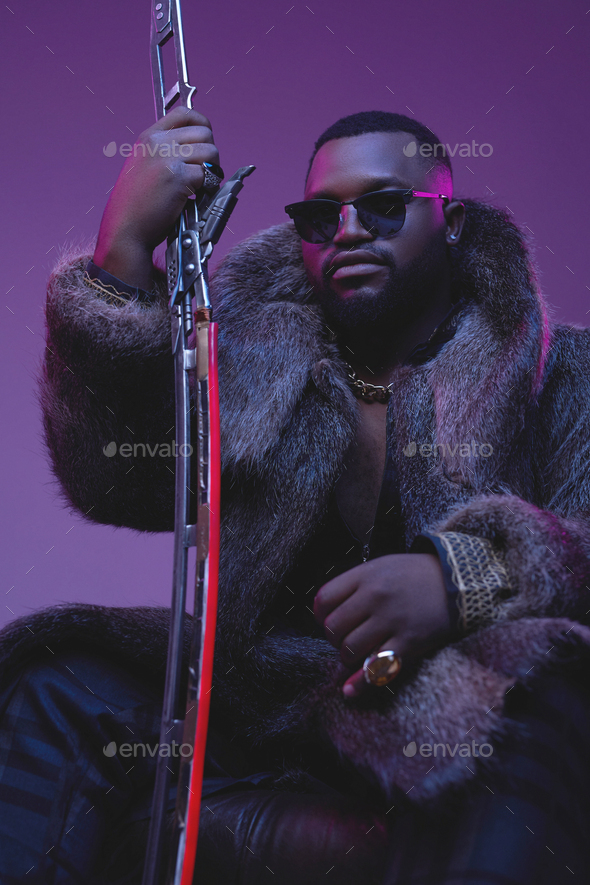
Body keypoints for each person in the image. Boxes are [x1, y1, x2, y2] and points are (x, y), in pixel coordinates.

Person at [2, 108, 590, 884]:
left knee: (538, 692)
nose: (347, 230)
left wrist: (462, 580)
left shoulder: (559, 371)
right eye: (321, 214)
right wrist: (121, 256)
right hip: (259, 708)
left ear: (451, 223)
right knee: (58, 683)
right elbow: (113, 481)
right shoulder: (251, 353)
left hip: (437, 714)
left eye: (383, 206)